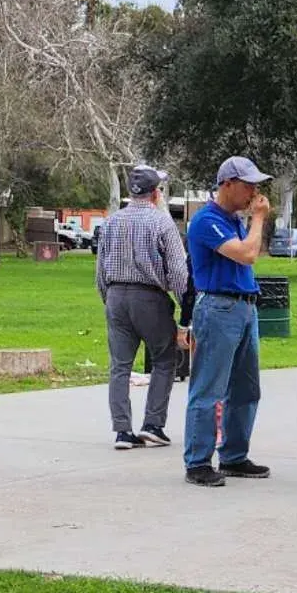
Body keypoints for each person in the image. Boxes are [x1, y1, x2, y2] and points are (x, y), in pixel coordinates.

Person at [182, 156, 274, 485]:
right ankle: (197, 460)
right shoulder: (207, 221)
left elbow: (251, 251)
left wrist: (252, 220)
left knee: (247, 389)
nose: (254, 191)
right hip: (219, 307)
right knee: (209, 388)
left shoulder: (234, 219)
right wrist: (259, 218)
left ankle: (234, 455)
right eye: (248, 184)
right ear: (227, 184)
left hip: (245, 306)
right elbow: (248, 254)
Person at [93, 164, 190, 448]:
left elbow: (100, 269)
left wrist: (107, 298)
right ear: (155, 193)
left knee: (120, 365)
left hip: (115, 295)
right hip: (149, 296)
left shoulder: (111, 222)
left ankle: (122, 430)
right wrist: (186, 306)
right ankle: (153, 424)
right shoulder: (162, 223)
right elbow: (177, 269)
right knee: (164, 358)